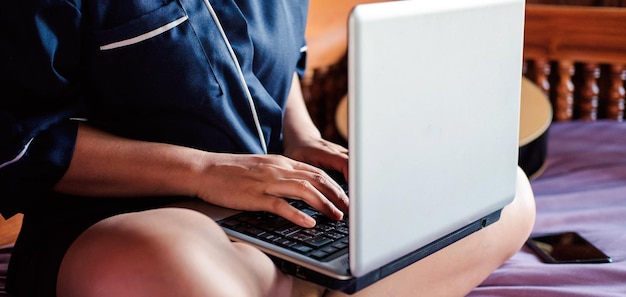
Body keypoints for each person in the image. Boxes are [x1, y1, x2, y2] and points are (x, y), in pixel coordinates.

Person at [0, 0, 535, 296]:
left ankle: (315, 278)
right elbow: (20, 139)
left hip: (278, 201)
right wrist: (205, 171)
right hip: (135, 217)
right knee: (163, 263)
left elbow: (281, 71)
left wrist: (303, 139)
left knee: (503, 191)